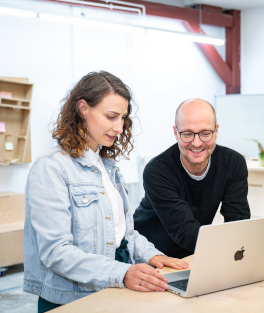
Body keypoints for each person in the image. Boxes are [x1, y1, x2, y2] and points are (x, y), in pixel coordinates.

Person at [23, 71, 188, 313]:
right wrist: (122, 273)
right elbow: (55, 252)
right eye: (111, 117)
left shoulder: (107, 168)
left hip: (113, 288)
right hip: (71, 300)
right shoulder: (51, 168)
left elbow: (123, 234)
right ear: (83, 108)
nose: (119, 127)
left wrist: (151, 255)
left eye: (122, 118)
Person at [134, 98, 251, 259]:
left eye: (205, 134)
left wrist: (251, 244)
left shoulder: (233, 163)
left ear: (216, 131)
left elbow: (238, 221)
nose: (197, 143)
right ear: (176, 133)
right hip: (152, 256)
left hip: (195, 253)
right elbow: (185, 232)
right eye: (187, 134)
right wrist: (229, 248)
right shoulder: (157, 171)